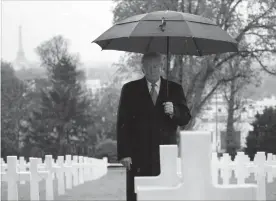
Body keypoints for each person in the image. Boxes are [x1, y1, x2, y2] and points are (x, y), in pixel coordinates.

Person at [116, 52, 191, 201]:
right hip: (138, 155)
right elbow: (122, 123)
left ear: (162, 67)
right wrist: (124, 153)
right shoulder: (130, 90)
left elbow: (185, 118)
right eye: (148, 67)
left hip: (165, 154)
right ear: (142, 69)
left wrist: (174, 111)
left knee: (164, 195)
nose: (152, 70)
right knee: (138, 195)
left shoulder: (174, 89)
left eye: (156, 66)